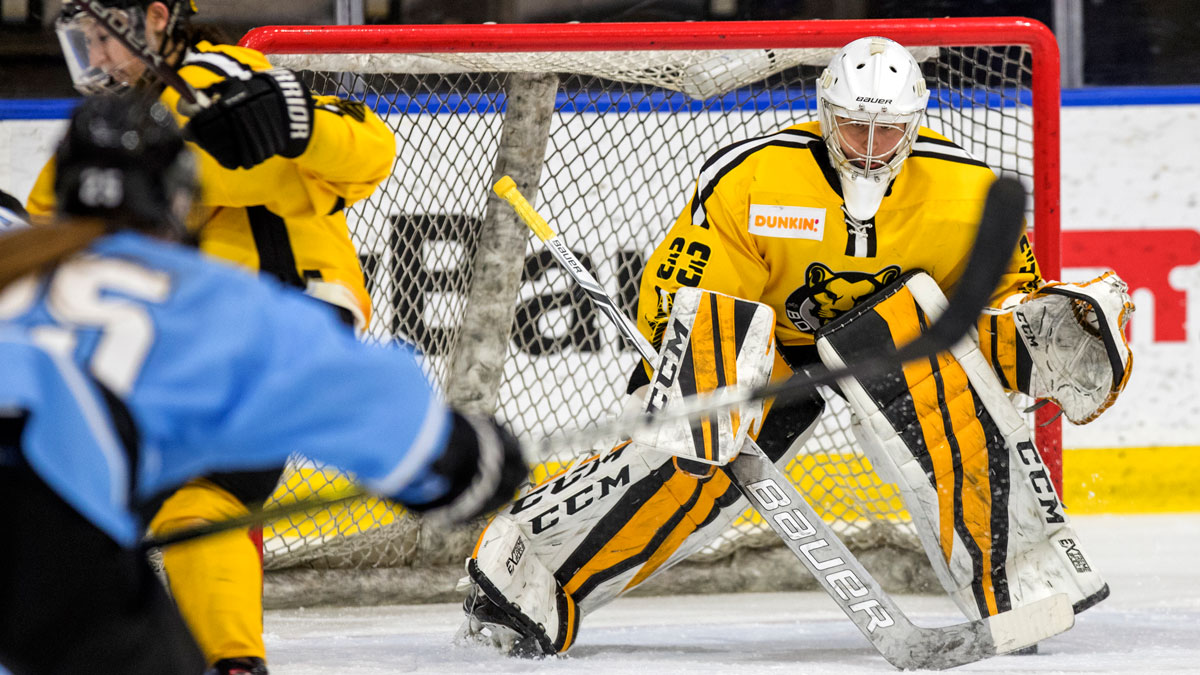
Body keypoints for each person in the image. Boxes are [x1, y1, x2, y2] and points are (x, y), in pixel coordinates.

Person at [458, 37, 1134, 656]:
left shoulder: (966, 192)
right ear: (824, 112)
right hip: (772, 346)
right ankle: (530, 568)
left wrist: (1038, 327)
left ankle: (1020, 590)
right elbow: (693, 296)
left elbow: (999, 304)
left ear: (917, 121)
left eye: (889, 129)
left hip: (894, 344)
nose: (871, 146)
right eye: (854, 126)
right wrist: (685, 382)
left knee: (968, 426)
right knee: (692, 456)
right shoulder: (753, 177)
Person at [0, 94, 526, 675]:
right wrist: (459, 457)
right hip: (44, 527)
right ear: (180, 199)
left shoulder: (14, 263)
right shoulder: (191, 293)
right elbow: (355, 393)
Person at [26, 2, 398, 672]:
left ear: (157, 17)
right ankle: (231, 661)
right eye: (81, 43)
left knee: (189, 483)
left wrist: (298, 120)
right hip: (171, 335)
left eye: (102, 39)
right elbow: (46, 227)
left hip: (280, 311)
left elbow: (370, 150)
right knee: (191, 499)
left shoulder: (215, 77)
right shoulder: (106, 129)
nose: (96, 58)